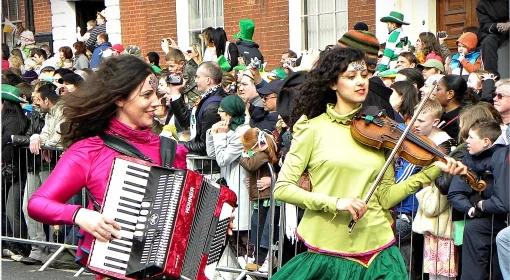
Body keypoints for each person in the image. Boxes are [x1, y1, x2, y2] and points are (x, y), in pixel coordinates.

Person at [272, 47, 466, 279]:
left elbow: (385, 197)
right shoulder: (312, 129)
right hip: (330, 250)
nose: (360, 82)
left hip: (378, 249)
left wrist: (432, 171)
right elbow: (282, 188)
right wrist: (336, 203)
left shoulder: (378, 130)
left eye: (364, 75)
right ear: (333, 83)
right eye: (351, 77)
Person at [27, 55, 188, 270]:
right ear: (119, 98)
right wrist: (80, 215)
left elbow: (186, 213)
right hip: (117, 268)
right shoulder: (89, 150)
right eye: (147, 95)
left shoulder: (171, 149)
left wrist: (216, 220)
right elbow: (37, 203)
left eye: (156, 94)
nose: (156, 102)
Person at [205, 94, 250, 232]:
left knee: (238, 233)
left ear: (229, 113)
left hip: (239, 187)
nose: (218, 113)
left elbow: (223, 159)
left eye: (221, 110)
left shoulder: (243, 132)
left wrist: (220, 135)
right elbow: (213, 154)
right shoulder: (229, 130)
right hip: (228, 184)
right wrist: (212, 133)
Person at [476, 0, 509, 78]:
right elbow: (484, 24)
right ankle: (491, 77)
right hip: (497, 31)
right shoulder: (482, 4)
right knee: (487, 42)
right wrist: (497, 26)